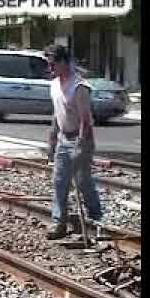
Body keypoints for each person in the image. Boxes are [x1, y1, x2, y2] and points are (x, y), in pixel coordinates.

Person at [45, 45, 102, 240]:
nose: (50, 69)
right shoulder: (54, 85)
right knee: (59, 181)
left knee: (82, 181)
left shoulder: (79, 88)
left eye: (53, 65)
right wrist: (52, 137)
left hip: (81, 139)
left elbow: (85, 120)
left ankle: (96, 217)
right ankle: (59, 222)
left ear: (63, 62)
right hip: (63, 138)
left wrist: (79, 145)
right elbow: (57, 114)